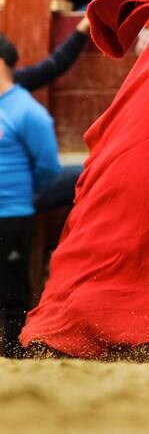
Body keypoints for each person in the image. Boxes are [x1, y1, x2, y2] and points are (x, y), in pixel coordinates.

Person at [0, 32, 60, 357]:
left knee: (11, 293)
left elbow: (48, 166)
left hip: (10, 214)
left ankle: (12, 355)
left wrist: (22, 194)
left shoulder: (26, 111)